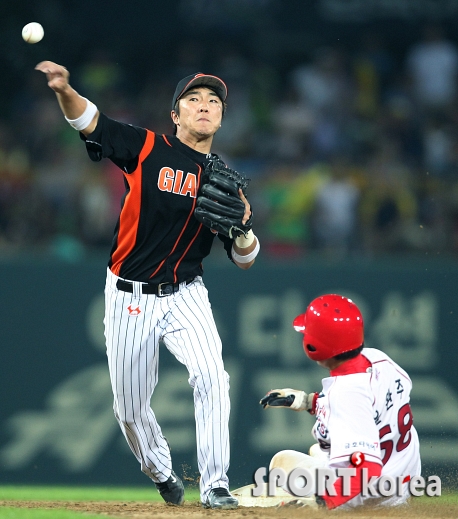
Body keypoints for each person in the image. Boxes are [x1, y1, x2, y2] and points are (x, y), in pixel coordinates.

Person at [35, 60, 260, 509]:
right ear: (175, 114)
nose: (205, 106)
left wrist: (242, 231)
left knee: (213, 376)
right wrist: (64, 89)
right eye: (193, 99)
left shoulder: (224, 182)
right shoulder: (146, 147)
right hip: (128, 295)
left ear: (221, 116)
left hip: (186, 293)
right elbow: (90, 121)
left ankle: (215, 484)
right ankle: (159, 469)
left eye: (214, 101)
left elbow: (245, 259)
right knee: (130, 408)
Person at [235, 294, 421, 509]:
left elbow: (367, 469)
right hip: (402, 479)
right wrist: (309, 401)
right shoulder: (379, 359)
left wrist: (322, 503)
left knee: (282, 463)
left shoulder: (345, 393)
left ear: (314, 346)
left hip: (370, 493)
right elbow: (365, 406)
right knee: (318, 450)